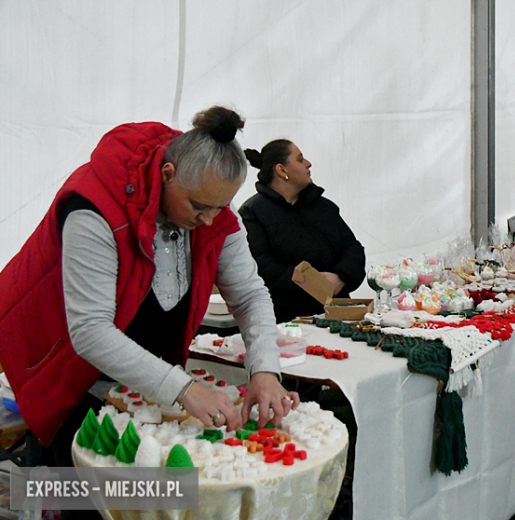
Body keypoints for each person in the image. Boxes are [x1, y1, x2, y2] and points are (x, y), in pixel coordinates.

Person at [0, 107, 299, 471]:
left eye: (219, 209)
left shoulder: (210, 199)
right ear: (168, 174)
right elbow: (90, 331)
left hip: (139, 381)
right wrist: (184, 388)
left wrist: (265, 369)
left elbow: (250, 293)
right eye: (199, 207)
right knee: (86, 491)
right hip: (62, 365)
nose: (208, 220)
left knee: (160, 495)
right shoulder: (93, 207)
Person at [239, 140, 366, 323]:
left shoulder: (324, 208)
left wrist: (340, 277)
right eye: (300, 160)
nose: (308, 163)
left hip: (338, 316)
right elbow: (262, 267)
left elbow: (352, 248)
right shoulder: (253, 213)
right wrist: (315, 283)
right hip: (285, 321)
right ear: (282, 171)